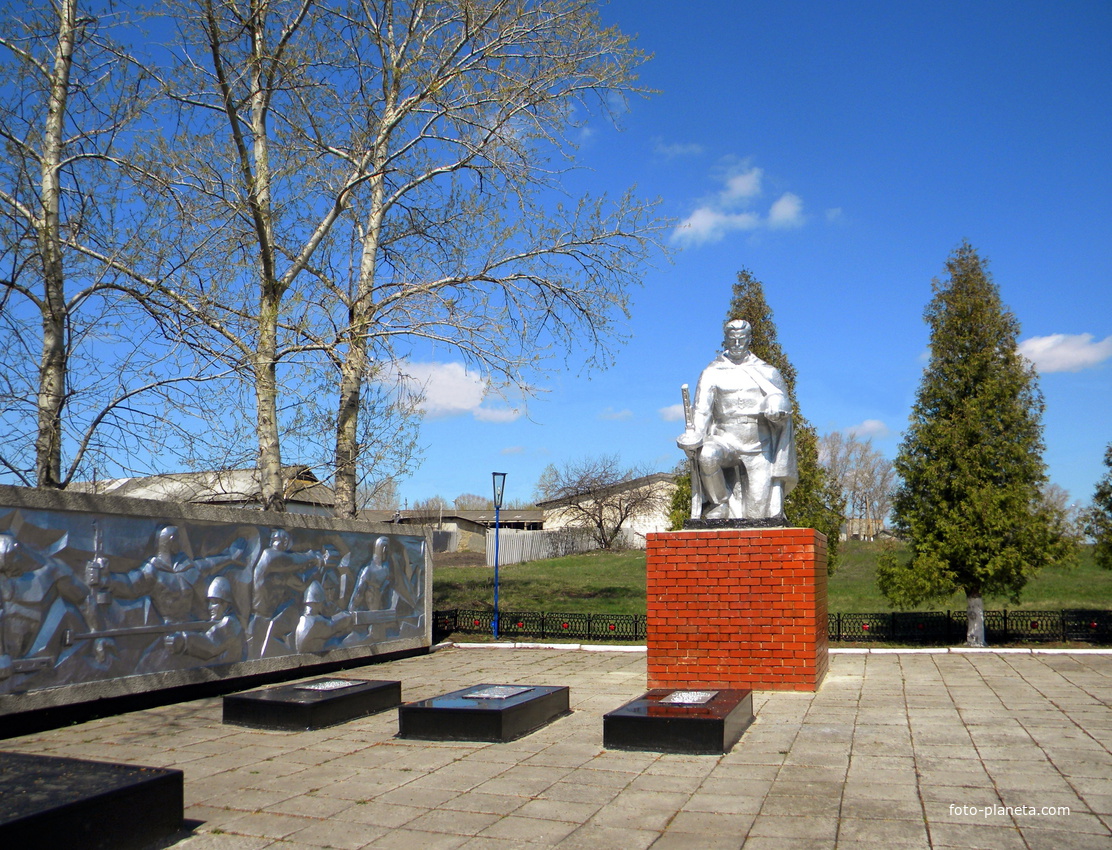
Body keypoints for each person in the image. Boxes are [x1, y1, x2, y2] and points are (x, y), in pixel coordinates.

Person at [678, 319, 798, 520]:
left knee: (757, 516)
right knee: (707, 455)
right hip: (725, 439)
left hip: (760, 447)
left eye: (741, 340)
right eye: (732, 339)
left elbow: (783, 404)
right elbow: (702, 411)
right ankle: (720, 503)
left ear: (749, 340)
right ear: (725, 340)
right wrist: (693, 437)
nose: (736, 344)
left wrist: (777, 411)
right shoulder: (711, 373)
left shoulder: (768, 372)